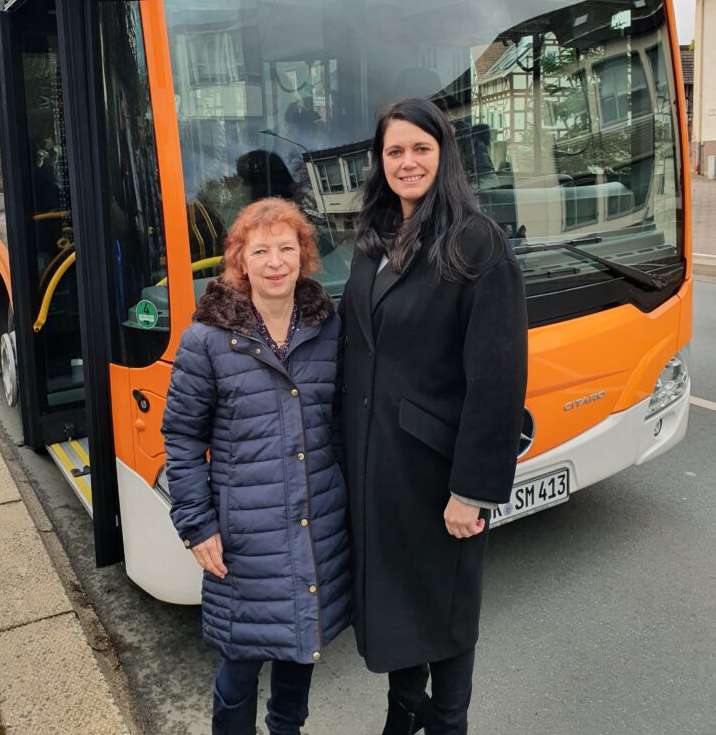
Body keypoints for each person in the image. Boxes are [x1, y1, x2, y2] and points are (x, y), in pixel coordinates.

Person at [339, 98, 528, 735]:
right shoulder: (373, 236)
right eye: (395, 151)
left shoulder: (477, 241)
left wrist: (471, 491)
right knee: (398, 599)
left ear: (443, 155)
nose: (407, 161)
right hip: (378, 463)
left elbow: (497, 380)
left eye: (421, 148)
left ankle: (448, 723)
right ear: (380, 161)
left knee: (444, 610)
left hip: (437, 472)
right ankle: (403, 714)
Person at [162, 197, 350, 735]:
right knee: (239, 668)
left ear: (304, 256)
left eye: (286, 248)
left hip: (316, 523)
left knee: (300, 654)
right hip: (247, 535)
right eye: (260, 250)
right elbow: (182, 437)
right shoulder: (205, 341)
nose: (275, 262)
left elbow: (340, 422)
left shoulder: (327, 329)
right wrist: (197, 525)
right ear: (239, 260)